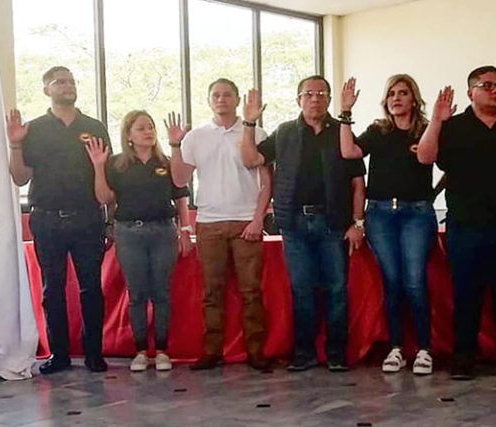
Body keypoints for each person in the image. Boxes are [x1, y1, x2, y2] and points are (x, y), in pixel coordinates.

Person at [417, 65, 496, 381]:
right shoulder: (454, 126)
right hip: (466, 224)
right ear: (470, 92)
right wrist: (436, 120)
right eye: (487, 85)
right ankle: (464, 357)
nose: (495, 90)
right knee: (466, 294)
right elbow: (425, 157)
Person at [239, 75, 366, 372]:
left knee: (336, 289)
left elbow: (358, 184)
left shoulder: (342, 132)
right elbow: (250, 159)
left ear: (329, 99)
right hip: (294, 223)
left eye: (321, 93)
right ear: (298, 100)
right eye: (308, 93)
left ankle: (336, 353)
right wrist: (249, 123)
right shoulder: (285, 132)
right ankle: (304, 353)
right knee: (301, 290)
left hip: (334, 223)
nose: (315, 98)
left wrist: (357, 223)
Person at [6, 66, 110, 374]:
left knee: (91, 287)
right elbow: (20, 178)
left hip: (87, 218)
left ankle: (94, 353)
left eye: (71, 81)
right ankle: (59, 354)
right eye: (59, 82)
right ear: (46, 90)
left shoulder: (94, 127)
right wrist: (15, 144)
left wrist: (111, 220)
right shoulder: (33, 129)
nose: (67, 86)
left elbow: (106, 177)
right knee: (52, 289)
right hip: (47, 219)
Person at [169, 78, 272, 371]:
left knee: (251, 291)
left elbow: (267, 181)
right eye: (216, 95)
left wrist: (258, 219)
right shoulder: (195, 137)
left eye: (227, 95)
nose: (221, 99)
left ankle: (256, 352)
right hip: (209, 223)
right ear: (208, 100)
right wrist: (175, 145)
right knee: (211, 292)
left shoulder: (257, 133)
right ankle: (212, 351)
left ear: (237, 100)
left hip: (246, 221)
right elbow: (179, 179)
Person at [338, 75, 437, 375]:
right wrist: (345, 112)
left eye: (403, 93)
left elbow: (437, 160)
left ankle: (424, 349)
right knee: (392, 281)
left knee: (415, 281)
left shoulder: (426, 130)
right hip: (380, 214)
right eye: (391, 93)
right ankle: (396, 347)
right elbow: (349, 151)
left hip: (417, 214)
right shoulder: (378, 131)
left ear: (414, 99)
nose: (396, 98)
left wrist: (434, 193)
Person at [85, 110, 192, 372]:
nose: (148, 132)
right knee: (137, 294)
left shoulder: (166, 162)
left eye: (151, 127)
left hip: (163, 231)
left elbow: (180, 193)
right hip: (129, 233)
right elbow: (104, 198)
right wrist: (98, 166)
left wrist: (185, 229)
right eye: (141, 128)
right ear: (129, 135)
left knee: (161, 292)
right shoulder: (116, 164)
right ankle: (141, 350)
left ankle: (163, 350)